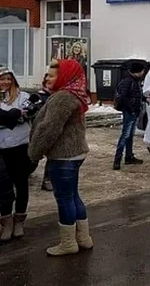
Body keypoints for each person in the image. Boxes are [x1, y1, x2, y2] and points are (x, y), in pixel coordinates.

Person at [28, 60, 92, 256]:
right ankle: (83, 238)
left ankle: (68, 243)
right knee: (73, 196)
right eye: (47, 74)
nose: (47, 78)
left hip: (64, 156)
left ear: (64, 77)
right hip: (75, 153)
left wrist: (34, 154)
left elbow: (49, 130)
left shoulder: (62, 98)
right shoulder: (73, 94)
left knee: (64, 199)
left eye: (52, 75)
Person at [0, 67, 32, 242]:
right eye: (2, 79)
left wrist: (7, 119)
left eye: (8, 79)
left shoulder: (23, 96)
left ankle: (19, 220)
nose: (5, 82)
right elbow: (17, 117)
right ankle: (6, 222)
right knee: (3, 187)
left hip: (20, 146)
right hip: (1, 148)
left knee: (21, 183)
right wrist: (13, 117)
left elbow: (29, 113)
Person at [113, 61, 146, 170]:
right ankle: (118, 159)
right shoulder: (129, 81)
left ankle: (128, 156)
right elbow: (123, 97)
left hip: (134, 111)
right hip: (130, 111)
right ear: (138, 71)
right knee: (125, 135)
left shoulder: (134, 81)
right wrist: (131, 109)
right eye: (142, 71)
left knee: (130, 135)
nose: (143, 73)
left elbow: (136, 95)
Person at [36, 75, 53, 191]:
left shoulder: (57, 96)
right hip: (39, 130)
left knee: (52, 156)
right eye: (47, 83)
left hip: (51, 130)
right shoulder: (39, 97)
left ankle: (47, 180)